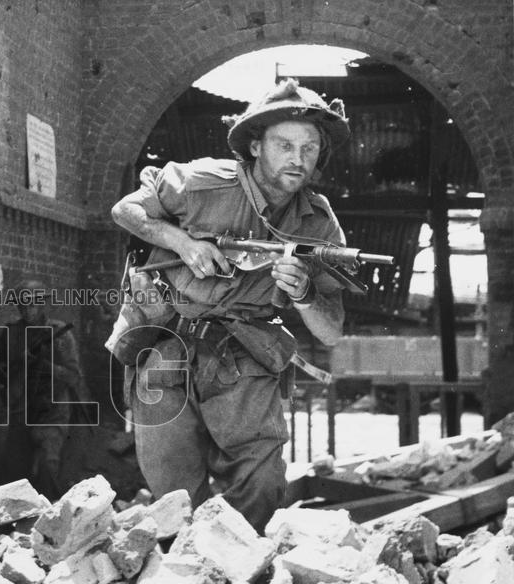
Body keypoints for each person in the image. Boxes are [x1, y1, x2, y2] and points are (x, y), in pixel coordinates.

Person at [109, 78, 349, 531]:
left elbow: (331, 330)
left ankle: (244, 581)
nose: (298, 159)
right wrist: (180, 242)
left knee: (263, 487)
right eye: (284, 145)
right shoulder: (201, 183)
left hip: (243, 357)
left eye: (310, 148)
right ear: (256, 146)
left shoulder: (317, 222)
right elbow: (126, 210)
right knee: (175, 498)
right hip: (167, 348)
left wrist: (304, 294)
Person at [0, 279, 85, 500]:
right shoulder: (11, 334)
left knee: (49, 467)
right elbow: (0, 375)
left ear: (42, 305)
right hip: (22, 410)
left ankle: (51, 516)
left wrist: (45, 366)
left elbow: (73, 376)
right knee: (13, 472)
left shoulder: (60, 334)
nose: (28, 309)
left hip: (52, 411)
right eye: (23, 304)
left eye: (33, 304)